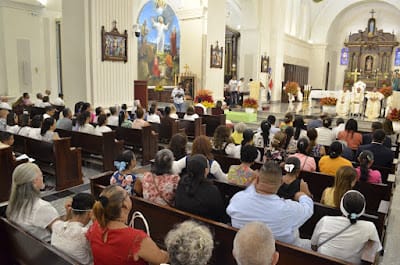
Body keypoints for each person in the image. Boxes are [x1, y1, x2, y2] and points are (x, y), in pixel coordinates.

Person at [227, 161, 313, 248]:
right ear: (281, 182)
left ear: (257, 179)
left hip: (242, 247)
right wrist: (302, 195)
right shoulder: (288, 209)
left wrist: (254, 181)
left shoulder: (238, 199)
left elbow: (249, 191)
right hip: (283, 252)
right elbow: (309, 209)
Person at [87, 185, 169, 265]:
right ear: (124, 205)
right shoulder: (137, 238)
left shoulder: (95, 226)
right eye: (127, 195)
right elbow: (162, 260)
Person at [311, 190, 382, 264]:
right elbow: (377, 251)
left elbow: (313, 246)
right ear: (362, 210)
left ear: (341, 206)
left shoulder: (325, 221)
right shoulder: (369, 227)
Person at [6, 163, 59, 242]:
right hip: (48, 248)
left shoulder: (13, 204)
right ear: (34, 181)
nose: (42, 178)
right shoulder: (42, 207)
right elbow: (61, 233)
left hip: (27, 247)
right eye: (41, 175)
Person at [175, 154, 225, 222]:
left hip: (181, 221)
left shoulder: (182, 183)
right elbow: (219, 214)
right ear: (206, 170)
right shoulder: (212, 190)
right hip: (204, 227)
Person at [51, 193, 95, 265]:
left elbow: (67, 226)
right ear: (90, 213)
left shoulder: (56, 225)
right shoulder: (85, 233)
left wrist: (68, 215)